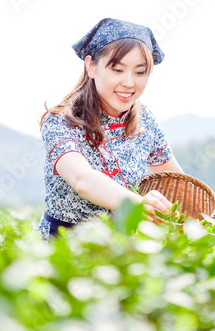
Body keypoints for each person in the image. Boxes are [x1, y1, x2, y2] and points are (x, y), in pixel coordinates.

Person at [32, 17, 184, 241]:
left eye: (140, 72)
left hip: (121, 248)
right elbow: (82, 180)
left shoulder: (145, 120)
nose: (129, 83)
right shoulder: (60, 121)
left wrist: (207, 219)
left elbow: (177, 182)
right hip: (62, 247)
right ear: (91, 67)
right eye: (117, 70)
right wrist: (140, 205)